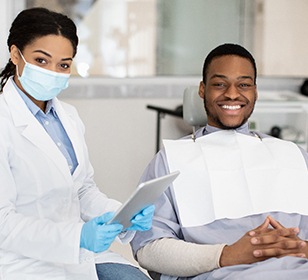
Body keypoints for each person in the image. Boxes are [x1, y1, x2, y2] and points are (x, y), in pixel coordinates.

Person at [0, 7, 154, 280]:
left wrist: (119, 214)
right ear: (15, 54)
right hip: (21, 263)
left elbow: (82, 190)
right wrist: (78, 236)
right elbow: (4, 224)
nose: (53, 72)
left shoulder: (68, 116)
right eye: (41, 60)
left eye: (63, 64)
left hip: (80, 257)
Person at [130, 43, 308, 280]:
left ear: (255, 91)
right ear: (202, 90)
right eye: (219, 84)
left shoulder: (292, 155)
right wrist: (226, 255)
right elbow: (148, 250)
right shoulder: (170, 161)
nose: (233, 94)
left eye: (244, 84)